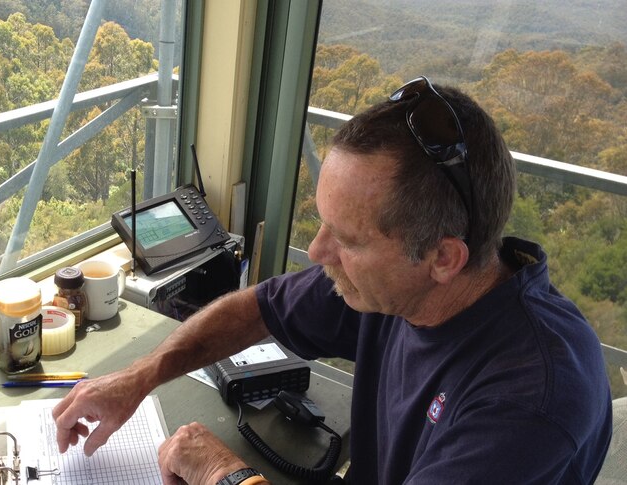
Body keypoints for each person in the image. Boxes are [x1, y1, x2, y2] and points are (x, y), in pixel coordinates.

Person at [52, 77, 613, 484]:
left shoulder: (530, 398)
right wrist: (139, 376)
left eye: (349, 239)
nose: (319, 252)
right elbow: (259, 309)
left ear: (444, 258)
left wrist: (224, 474)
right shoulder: (395, 286)